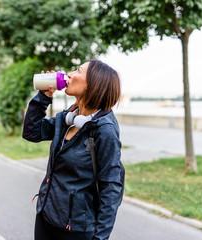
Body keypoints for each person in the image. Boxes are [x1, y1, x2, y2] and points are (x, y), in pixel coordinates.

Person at [23, 59, 125, 240]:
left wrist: (100, 237)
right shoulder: (67, 119)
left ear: (94, 84)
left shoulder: (104, 130)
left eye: (78, 70)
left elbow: (111, 187)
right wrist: (43, 98)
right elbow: (32, 132)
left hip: (75, 229)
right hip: (46, 216)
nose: (69, 74)